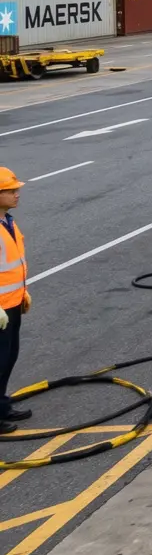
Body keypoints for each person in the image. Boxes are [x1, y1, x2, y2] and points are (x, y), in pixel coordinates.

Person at [0, 168, 30, 427]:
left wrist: (22, 290)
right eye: (11, 191)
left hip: (12, 302)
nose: (17, 194)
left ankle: (1, 405)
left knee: (9, 356)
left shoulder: (7, 222)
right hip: (0, 308)